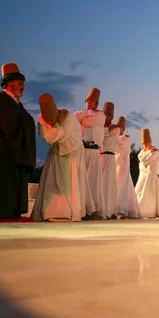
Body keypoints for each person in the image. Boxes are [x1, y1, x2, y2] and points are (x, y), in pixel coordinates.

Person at [0, 63, 36, 219]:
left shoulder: (15, 103)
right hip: (4, 156)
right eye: (20, 83)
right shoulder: (1, 100)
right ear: (10, 83)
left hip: (12, 156)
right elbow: (9, 127)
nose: (23, 87)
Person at [32, 93, 94, 222]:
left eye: (51, 120)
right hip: (56, 154)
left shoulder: (69, 118)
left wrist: (57, 126)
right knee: (53, 183)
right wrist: (57, 124)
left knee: (68, 183)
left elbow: (60, 136)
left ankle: (67, 211)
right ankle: (51, 211)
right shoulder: (41, 120)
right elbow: (49, 138)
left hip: (71, 154)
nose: (49, 123)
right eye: (47, 121)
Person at [75, 88, 105, 219]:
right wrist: (86, 116)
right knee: (82, 178)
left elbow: (89, 122)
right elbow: (75, 117)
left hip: (94, 150)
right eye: (87, 101)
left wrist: (85, 119)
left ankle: (92, 209)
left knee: (93, 179)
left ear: (96, 104)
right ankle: (82, 207)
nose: (88, 103)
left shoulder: (101, 115)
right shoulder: (82, 113)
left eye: (91, 101)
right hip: (83, 148)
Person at [134, 128, 159, 218]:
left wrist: (149, 154)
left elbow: (146, 160)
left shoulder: (156, 152)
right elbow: (142, 158)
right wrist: (149, 153)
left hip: (152, 174)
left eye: (146, 143)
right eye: (143, 143)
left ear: (150, 142)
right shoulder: (143, 152)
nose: (145, 145)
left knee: (151, 194)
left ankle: (149, 211)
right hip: (143, 175)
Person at [114, 116, 141, 219]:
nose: (118, 129)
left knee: (122, 185)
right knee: (116, 185)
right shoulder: (114, 137)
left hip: (123, 164)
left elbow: (119, 147)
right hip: (115, 163)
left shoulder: (126, 138)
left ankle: (121, 209)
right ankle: (116, 208)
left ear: (123, 128)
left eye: (120, 127)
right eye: (117, 127)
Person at [101, 101, 119, 219]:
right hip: (99, 157)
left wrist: (103, 130)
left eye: (109, 116)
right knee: (99, 184)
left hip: (110, 157)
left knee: (108, 184)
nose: (107, 118)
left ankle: (108, 210)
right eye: (105, 115)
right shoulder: (99, 127)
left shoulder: (115, 129)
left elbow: (105, 137)